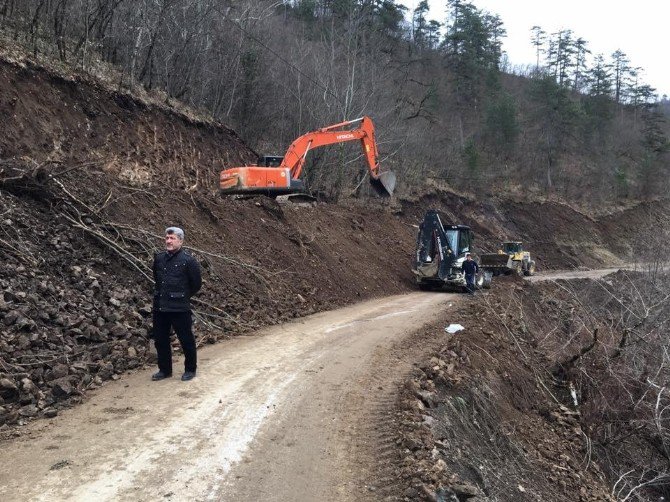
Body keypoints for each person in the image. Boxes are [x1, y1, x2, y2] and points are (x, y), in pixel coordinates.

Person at [151, 227, 202, 381]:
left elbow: (196, 284)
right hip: (160, 306)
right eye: (167, 238)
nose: (168, 241)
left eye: (172, 238)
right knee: (160, 340)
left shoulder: (189, 261)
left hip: (180, 308)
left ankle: (190, 369)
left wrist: (183, 296)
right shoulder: (159, 258)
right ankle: (165, 370)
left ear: (180, 240)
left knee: (186, 339)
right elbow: (157, 280)